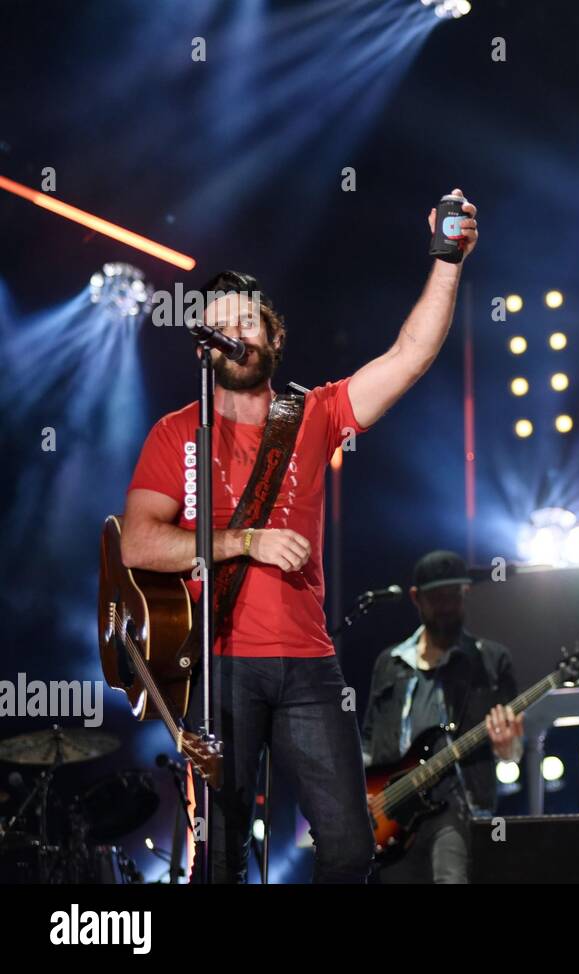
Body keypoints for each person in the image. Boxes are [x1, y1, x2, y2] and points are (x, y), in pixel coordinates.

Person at [120, 192, 478, 881]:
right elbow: (137, 543)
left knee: (348, 848)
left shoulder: (313, 413)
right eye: (220, 324)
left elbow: (409, 357)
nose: (236, 333)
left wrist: (447, 261)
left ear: (273, 337)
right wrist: (242, 541)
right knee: (219, 855)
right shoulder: (174, 433)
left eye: (248, 321)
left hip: (310, 668)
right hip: (217, 662)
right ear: (203, 344)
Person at [361, 550, 523, 884]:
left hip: (456, 806)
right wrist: (363, 793)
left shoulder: (490, 661)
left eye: (455, 596)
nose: (448, 607)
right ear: (416, 598)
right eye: (438, 598)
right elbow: (369, 740)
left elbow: (513, 750)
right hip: (393, 813)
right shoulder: (389, 662)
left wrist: (509, 749)